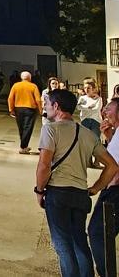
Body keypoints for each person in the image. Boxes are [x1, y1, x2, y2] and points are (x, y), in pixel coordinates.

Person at [36, 88, 119, 277]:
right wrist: (95, 188)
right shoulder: (87, 134)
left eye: (48, 104)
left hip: (58, 193)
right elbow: (112, 166)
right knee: (79, 241)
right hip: (80, 194)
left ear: (56, 106)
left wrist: (39, 190)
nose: (46, 107)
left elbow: (44, 165)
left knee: (63, 245)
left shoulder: (50, 129)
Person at [89, 97, 119, 276]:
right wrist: (109, 137)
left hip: (115, 192)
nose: (105, 112)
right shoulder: (117, 133)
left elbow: (114, 166)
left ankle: (107, 273)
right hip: (113, 189)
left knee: (97, 233)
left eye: (109, 109)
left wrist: (98, 187)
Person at [9, 71, 42, 154]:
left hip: (18, 109)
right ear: (30, 78)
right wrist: (40, 109)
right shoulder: (33, 86)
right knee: (28, 128)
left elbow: (10, 98)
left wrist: (11, 109)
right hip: (30, 109)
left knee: (21, 128)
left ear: (21, 77)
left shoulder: (16, 86)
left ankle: (24, 146)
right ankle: (23, 147)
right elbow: (38, 99)